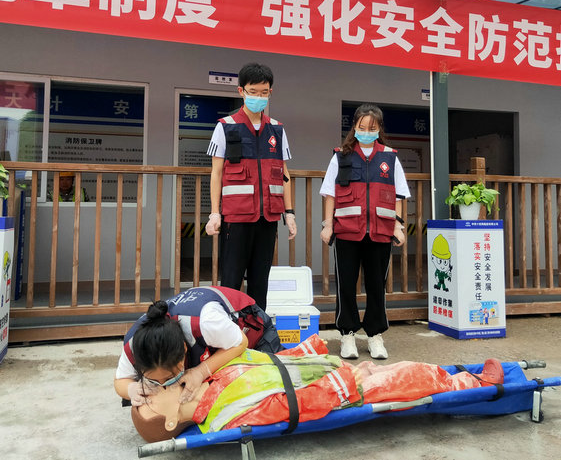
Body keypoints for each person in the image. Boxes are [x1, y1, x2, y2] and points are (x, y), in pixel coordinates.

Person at [130, 334, 505, 442]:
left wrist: (309, 351)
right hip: (338, 392)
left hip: (322, 372)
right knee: (410, 378)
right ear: (169, 422)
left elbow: (267, 362)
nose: (152, 392)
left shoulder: (208, 381)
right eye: (149, 403)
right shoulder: (225, 417)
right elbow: (291, 406)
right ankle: (474, 383)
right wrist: (346, 382)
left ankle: (457, 378)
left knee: (397, 371)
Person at [319, 103, 410, 360]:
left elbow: (399, 195)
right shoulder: (341, 156)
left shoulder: (390, 157)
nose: (367, 132)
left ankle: (375, 335)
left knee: (376, 286)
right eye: (362, 127)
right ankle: (347, 334)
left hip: (380, 232)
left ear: (379, 129)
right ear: (355, 127)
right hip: (347, 231)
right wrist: (328, 225)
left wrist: (398, 226)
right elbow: (330, 194)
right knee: (346, 285)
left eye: (372, 128)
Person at [205, 63, 297, 310]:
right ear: (241, 91)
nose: (258, 97)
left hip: (268, 218)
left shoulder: (277, 129)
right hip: (236, 217)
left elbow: (284, 174)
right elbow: (216, 173)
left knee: (260, 280)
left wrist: (289, 213)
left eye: (263, 92)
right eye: (253, 91)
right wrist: (215, 213)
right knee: (231, 279)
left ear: (270, 92)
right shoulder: (225, 126)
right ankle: (229, 327)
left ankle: (257, 327)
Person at [114, 286, 283, 407]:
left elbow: (240, 342)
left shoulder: (207, 322)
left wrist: (201, 371)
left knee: (270, 386)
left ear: (184, 350)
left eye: (168, 378)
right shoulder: (135, 345)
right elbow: (120, 380)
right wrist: (132, 389)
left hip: (250, 329)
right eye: (153, 380)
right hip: (213, 340)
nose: (163, 385)